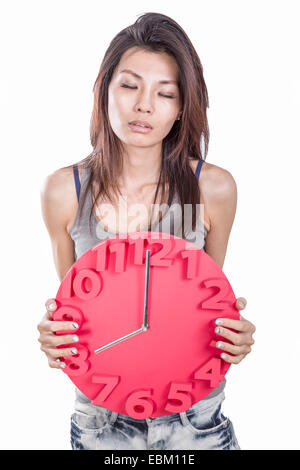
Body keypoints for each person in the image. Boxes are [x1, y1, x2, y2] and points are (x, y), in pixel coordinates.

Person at [38, 12, 256, 450]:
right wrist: (54, 337)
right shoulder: (65, 191)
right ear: (104, 89)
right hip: (102, 422)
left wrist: (235, 338)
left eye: (165, 93)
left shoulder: (213, 188)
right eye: (129, 85)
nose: (144, 105)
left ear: (181, 108)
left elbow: (200, 312)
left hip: (195, 423)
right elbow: (76, 312)